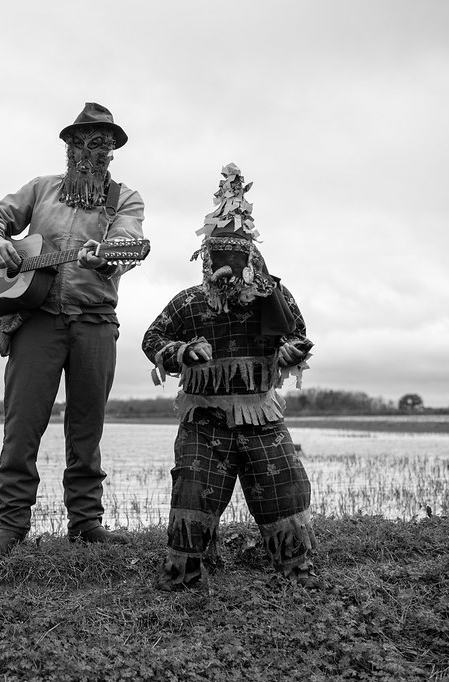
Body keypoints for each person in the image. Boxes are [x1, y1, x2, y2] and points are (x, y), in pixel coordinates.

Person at [0, 102, 146, 557]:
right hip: (36, 322)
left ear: (111, 152)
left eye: (100, 145)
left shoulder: (125, 198)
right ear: (68, 147)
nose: (90, 153)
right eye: (81, 144)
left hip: (95, 322)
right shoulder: (40, 189)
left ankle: (86, 523)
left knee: (87, 429)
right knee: (22, 426)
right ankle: (11, 525)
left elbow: (129, 241)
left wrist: (107, 254)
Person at [141, 163, 318, 591]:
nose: (224, 269)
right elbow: (152, 338)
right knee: (195, 490)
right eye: (216, 260)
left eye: (233, 261)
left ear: (251, 259)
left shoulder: (274, 298)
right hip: (204, 420)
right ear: (206, 260)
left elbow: (298, 334)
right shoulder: (188, 303)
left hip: (262, 417)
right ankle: (187, 571)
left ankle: (294, 568)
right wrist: (181, 352)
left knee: (284, 488)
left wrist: (291, 352)